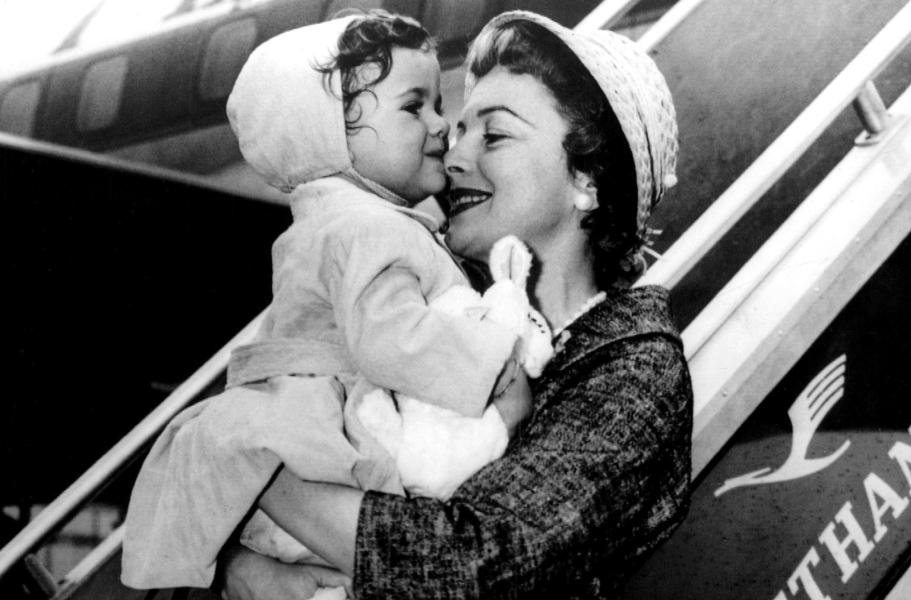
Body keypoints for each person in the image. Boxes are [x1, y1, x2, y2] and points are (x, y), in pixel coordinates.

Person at [219, 10, 693, 600]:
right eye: (459, 129)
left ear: (588, 178)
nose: (453, 156)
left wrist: (255, 465)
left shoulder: (632, 367)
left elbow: (482, 562)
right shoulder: (417, 297)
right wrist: (238, 567)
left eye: (492, 135)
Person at [121, 11, 550, 594]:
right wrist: (492, 357)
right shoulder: (365, 227)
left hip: (294, 463)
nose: (441, 125)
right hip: (332, 447)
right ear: (331, 135)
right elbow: (389, 339)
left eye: (437, 105)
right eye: (413, 106)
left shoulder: (334, 221)